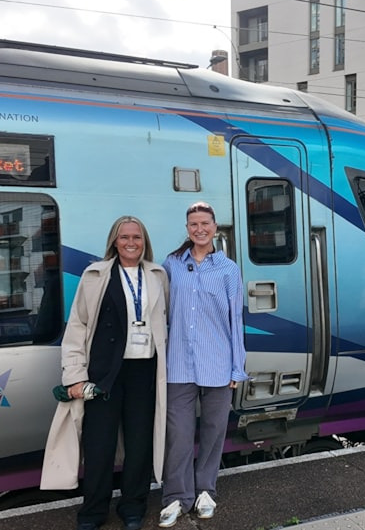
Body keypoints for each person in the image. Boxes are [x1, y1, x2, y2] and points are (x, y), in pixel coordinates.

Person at [40, 216, 169, 530]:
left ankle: (133, 507)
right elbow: (77, 326)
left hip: (145, 371)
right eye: (124, 237)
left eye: (136, 237)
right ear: (114, 241)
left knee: (139, 444)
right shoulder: (95, 275)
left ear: (144, 241)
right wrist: (75, 375)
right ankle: (93, 512)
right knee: (99, 445)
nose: (130, 243)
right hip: (104, 372)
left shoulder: (157, 275)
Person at [158, 201, 248, 528]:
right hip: (179, 365)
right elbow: (161, 312)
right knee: (178, 436)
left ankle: (206, 491)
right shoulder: (172, 265)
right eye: (193, 224)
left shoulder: (228, 269)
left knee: (213, 432)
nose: (199, 229)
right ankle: (176, 497)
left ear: (215, 228)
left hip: (218, 366)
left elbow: (235, 321)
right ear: (187, 229)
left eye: (205, 223)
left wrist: (237, 368)